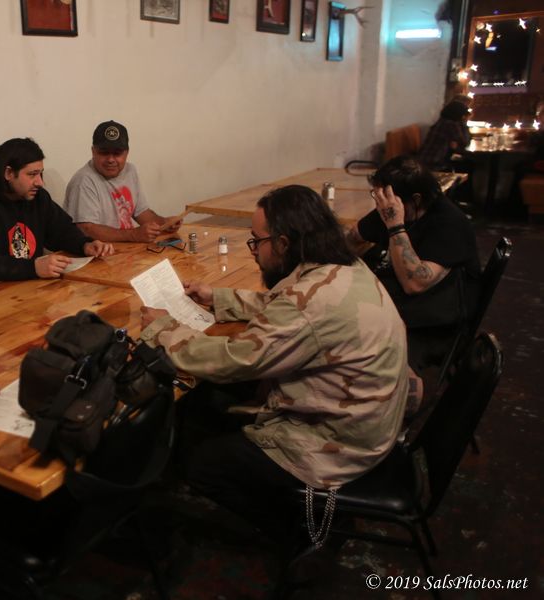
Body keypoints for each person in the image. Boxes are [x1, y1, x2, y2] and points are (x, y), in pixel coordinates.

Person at [139, 185, 409, 521]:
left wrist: (164, 329)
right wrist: (218, 298)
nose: (253, 250)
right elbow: (288, 305)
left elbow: (235, 359)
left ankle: (297, 530)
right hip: (368, 425)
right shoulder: (341, 267)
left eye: (256, 240)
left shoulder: (309, 302)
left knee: (201, 463)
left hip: (337, 447)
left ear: (282, 243)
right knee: (213, 403)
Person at [346, 156, 481, 370]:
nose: (381, 203)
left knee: (350, 339)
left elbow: (415, 283)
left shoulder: (448, 223)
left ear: (415, 199)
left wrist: (395, 226)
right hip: (394, 309)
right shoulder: (394, 209)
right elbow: (353, 237)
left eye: (386, 197)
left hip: (431, 325)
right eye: (377, 196)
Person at [0, 137, 113, 289]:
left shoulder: (38, 197)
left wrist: (85, 245)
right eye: (32, 174)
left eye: (40, 173)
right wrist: (33, 268)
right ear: (8, 173)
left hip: (24, 287)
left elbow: (61, 231)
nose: (40, 182)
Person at [64, 120, 182, 242]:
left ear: (127, 153)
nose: (110, 159)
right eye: (104, 152)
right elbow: (86, 229)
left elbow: (141, 212)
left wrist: (165, 223)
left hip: (125, 248)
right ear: (93, 152)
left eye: (117, 153)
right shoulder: (83, 181)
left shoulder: (130, 171)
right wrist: (134, 235)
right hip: (98, 251)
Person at [417, 99, 471, 170]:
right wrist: (464, 123)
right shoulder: (451, 124)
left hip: (426, 158)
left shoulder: (442, 121)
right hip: (434, 162)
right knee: (468, 164)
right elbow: (464, 142)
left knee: (465, 162)